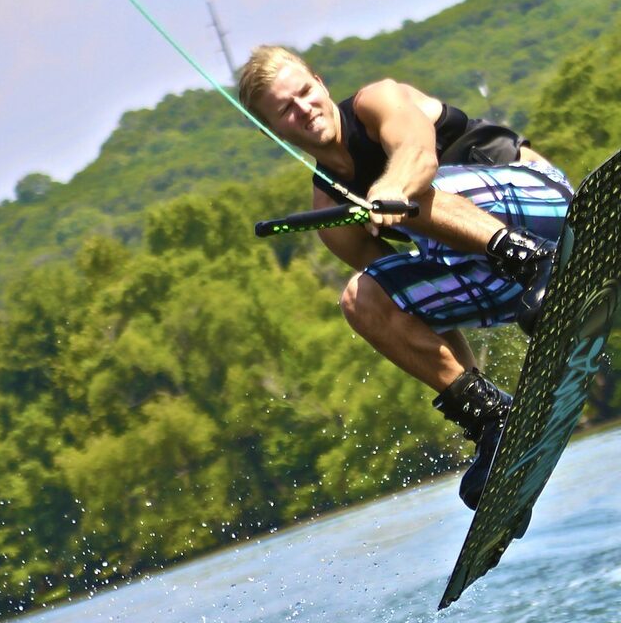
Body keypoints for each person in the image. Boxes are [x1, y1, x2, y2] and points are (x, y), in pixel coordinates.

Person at [237, 45, 571, 509]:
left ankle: (537, 263)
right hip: (499, 276)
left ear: (320, 82)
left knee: (409, 193)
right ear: (268, 129)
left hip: (548, 212)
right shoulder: (329, 213)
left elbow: (417, 156)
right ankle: (493, 419)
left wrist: (389, 190)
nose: (305, 110)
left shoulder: (379, 101)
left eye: (306, 92)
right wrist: (472, 386)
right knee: (364, 298)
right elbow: (414, 309)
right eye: (286, 110)